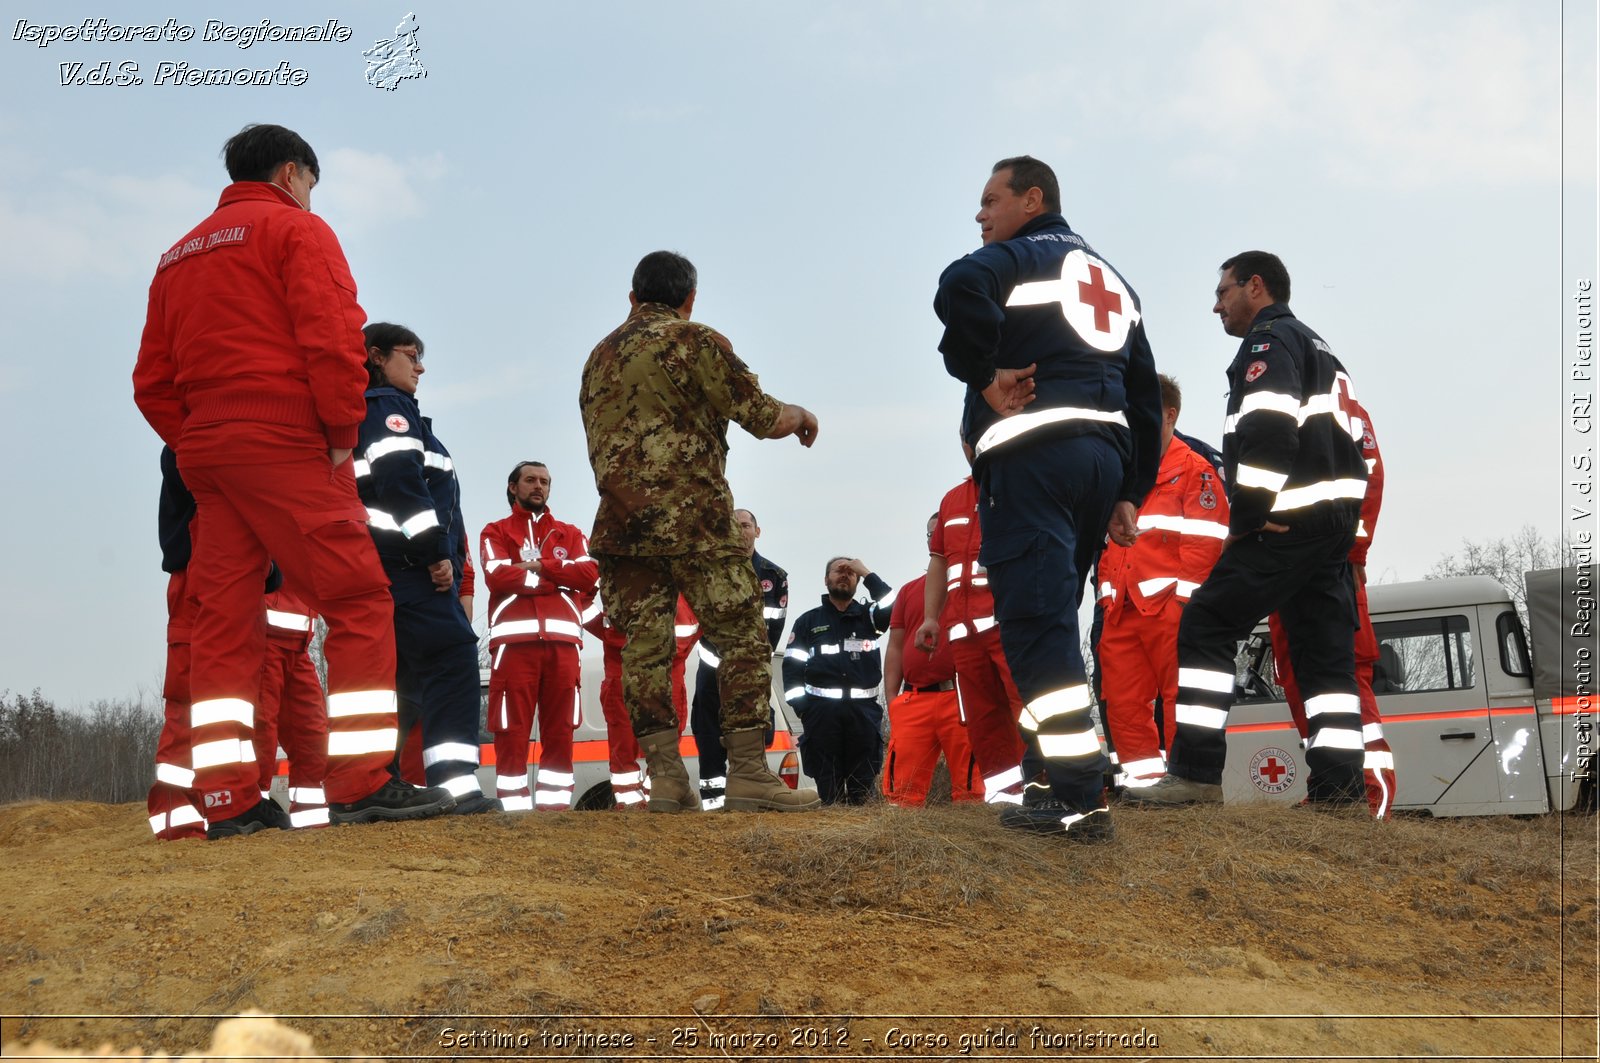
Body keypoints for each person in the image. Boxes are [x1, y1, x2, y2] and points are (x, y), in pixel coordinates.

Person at [133, 124, 454, 833]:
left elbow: (150, 381)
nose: (311, 195)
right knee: (361, 598)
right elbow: (336, 339)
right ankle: (363, 781)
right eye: (311, 182)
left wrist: (198, 439)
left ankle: (226, 798)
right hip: (285, 442)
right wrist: (343, 432)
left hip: (210, 455)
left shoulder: (175, 256)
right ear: (291, 172)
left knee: (222, 622)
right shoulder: (296, 231)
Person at [933, 155, 1162, 842]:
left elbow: (956, 288)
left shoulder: (1021, 256)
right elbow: (1146, 397)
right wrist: (1130, 492)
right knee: (1053, 621)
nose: (980, 215)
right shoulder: (1115, 283)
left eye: (990, 199)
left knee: (1035, 625)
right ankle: (1044, 776)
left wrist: (983, 377)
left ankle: (1076, 794)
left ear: (1033, 199)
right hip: (1099, 462)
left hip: (1036, 458)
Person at [579, 249, 820, 813]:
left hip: (621, 528)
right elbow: (764, 417)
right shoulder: (697, 342)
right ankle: (747, 775)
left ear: (632, 299)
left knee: (644, 652)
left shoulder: (598, 357)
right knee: (740, 636)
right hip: (696, 523)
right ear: (688, 300)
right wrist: (802, 415)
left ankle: (664, 781)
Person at [1128, 251, 1369, 807]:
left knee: (1207, 622)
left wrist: (1248, 517)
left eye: (1223, 292)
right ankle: (1340, 791)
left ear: (1255, 287)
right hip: (1331, 528)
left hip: (1287, 524)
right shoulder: (1320, 348)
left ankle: (1194, 775)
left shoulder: (1268, 344)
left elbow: (1266, 431)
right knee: (1324, 658)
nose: (1216, 306)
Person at [355, 322, 497, 815]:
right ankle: (456, 786)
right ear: (376, 356)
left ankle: (380, 783)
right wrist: (435, 551)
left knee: (406, 680)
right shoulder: (387, 409)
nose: (420, 366)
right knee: (453, 657)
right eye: (410, 355)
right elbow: (399, 486)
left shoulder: (394, 413)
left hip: (395, 565)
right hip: (409, 566)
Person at [1094, 375, 1229, 788]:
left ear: (1169, 415)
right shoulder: (1119, 471)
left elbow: (1206, 542)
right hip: (1121, 609)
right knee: (1121, 704)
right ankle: (1143, 785)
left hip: (1171, 608)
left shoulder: (1196, 470)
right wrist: (1105, 595)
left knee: (1179, 701)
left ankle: (1181, 784)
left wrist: (1184, 604)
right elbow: (1105, 544)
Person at [1267, 393, 1396, 816]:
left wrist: (1355, 550)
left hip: (1334, 568)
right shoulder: (1266, 409)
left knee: (1347, 683)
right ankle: (1327, 788)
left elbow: (1371, 475)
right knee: (1300, 685)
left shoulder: (1344, 409)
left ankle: (1372, 797)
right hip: (1285, 574)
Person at [479, 461, 597, 811]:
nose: (539, 486)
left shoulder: (570, 533)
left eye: (544, 481)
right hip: (514, 649)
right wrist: (558, 579)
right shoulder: (495, 531)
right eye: (530, 480)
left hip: (563, 648)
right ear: (513, 487)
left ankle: (555, 810)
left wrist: (541, 566)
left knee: (560, 729)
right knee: (511, 729)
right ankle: (513, 810)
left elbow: (589, 574)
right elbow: (497, 575)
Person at [916, 440, 1028, 805]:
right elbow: (938, 561)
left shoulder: (1022, 483)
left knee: (1027, 709)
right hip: (963, 634)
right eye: (970, 439)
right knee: (983, 721)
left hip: (1008, 623)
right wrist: (931, 617)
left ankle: (1043, 789)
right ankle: (1003, 797)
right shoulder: (951, 499)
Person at [689, 508, 789, 810]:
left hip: (751, 674)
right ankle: (714, 806)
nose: (740, 530)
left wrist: (752, 664)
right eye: (733, 525)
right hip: (711, 673)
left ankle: (743, 803)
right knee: (708, 739)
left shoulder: (774, 576)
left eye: (746, 525)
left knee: (750, 738)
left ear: (757, 532)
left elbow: (775, 629)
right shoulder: (705, 571)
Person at [884, 518, 981, 807]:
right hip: (914, 699)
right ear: (930, 541)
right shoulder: (908, 591)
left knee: (971, 789)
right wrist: (893, 700)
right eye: (933, 534)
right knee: (901, 795)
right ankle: (898, 844)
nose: (937, 538)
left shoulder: (976, 586)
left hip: (961, 698)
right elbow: (895, 646)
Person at [782, 558, 896, 805]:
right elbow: (791, 670)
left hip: (863, 715)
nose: (845, 575)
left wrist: (866, 572)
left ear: (858, 580)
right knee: (829, 790)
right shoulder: (807, 622)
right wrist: (805, 710)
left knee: (862, 790)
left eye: (850, 572)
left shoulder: (870, 618)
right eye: (838, 571)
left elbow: (891, 602)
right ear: (826, 580)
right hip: (821, 715)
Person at [584, 594, 699, 809]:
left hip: (668, 667)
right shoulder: (616, 564)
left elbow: (701, 613)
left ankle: (656, 799)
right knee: (624, 747)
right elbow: (582, 595)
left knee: (667, 744)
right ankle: (631, 807)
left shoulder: (683, 570)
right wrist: (609, 634)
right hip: (625, 667)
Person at [252, 587, 330, 828]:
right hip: (262, 638)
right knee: (260, 728)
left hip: (299, 644)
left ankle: (313, 815)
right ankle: (251, 809)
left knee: (312, 733)